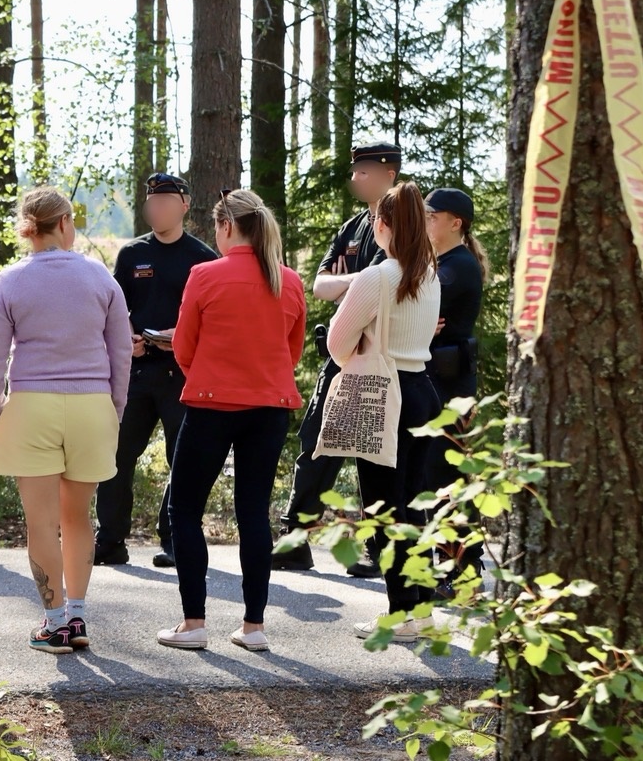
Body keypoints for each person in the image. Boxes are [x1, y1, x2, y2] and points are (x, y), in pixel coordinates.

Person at [0, 187, 132, 654]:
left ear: (28, 228)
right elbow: (121, 351)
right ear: (64, 222)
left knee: (41, 522)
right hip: (92, 406)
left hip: (31, 406)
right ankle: (78, 616)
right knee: (78, 516)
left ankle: (54, 623)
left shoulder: (9, 280)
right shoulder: (100, 276)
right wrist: (114, 408)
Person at [157, 189, 305, 653]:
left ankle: (194, 622)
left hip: (211, 404)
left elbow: (183, 346)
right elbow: (292, 350)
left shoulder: (204, 275)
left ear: (225, 226)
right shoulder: (288, 281)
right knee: (253, 512)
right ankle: (254, 627)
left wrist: (208, 374)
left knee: (184, 510)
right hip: (270, 406)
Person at [273, 141, 399, 578]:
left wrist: (350, 283)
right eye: (354, 170)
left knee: (375, 454)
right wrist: (360, 280)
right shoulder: (352, 227)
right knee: (316, 442)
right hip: (342, 351)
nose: (354, 178)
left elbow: (387, 285)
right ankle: (294, 539)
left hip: (380, 356)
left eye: (363, 171)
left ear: (388, 174)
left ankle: (379, 547)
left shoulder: (405, 225)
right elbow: (320, 284)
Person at [325, 181, 442, 641]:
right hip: (422, 391)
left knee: (382, 508)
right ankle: (421, 610)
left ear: (385, 224)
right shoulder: (429, 274)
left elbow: (337, 343)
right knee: (413, 505)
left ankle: (399, 614)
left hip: (382, 393)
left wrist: (358, 345)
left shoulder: (376, 276)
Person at [93, 173, 217, 568]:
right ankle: (110, 540)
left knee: (183, 459)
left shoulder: (202, 258)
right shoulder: (132, 254)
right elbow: (115, 308)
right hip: (138, 372)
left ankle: (176, 539)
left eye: (165, 201)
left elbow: (214, 317)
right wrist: (126, 337)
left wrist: (180, 336)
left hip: (182, 374)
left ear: (184, 205)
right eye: (152, 202)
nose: (156, 208)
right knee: (115, 455)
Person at [423, 187, 489, 592]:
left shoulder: (458, 266)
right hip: (438, 384)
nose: (426, 222)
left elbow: (421, 306)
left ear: (455, 222)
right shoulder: (442, 263)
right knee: (436, 477)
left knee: (446, 478)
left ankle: (464, 570)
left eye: (432, 216)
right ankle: (452, 568)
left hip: (450, 389)